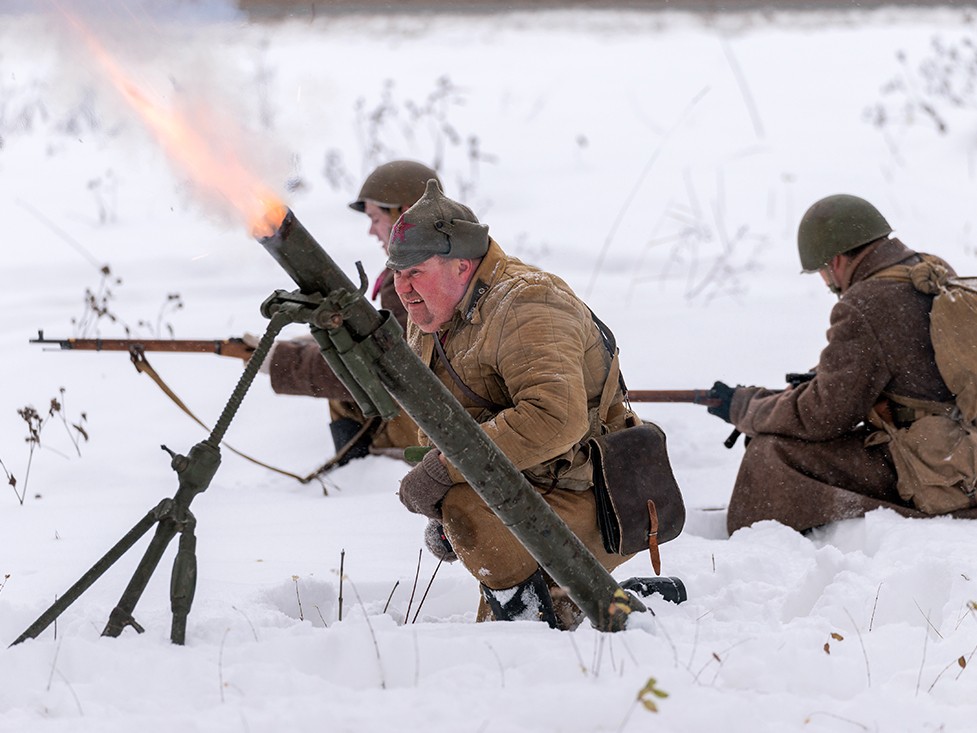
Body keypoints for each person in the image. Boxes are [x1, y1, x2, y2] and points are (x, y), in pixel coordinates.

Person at [388, 179, 638, 629]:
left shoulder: (528, 303)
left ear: (462, 267)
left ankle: (539, 626)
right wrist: (443, 497)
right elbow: (442, 424)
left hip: (595, 494)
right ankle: (561, 610)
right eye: (397, 274)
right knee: (465, 512)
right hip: (526, 487)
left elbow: (554, 419)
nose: (402, 289)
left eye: (415, 273)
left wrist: (446, 474)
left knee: (472, 516)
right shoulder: (433, 314)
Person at [708, 193, 977, 534]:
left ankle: (771, 547)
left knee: (770, 452)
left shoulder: (865, 303)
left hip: (932, 467)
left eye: (820, 271)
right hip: (964, 447)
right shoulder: (929, 268)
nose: (825, 282)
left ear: (835, 262)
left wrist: (747, 408)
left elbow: (824, 416)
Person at [261, 160, 441, 463]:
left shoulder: (413, 276)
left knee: (344, 395)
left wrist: (280, 361)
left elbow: (389, 370)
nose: (371, 230)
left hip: (431, 428)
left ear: (406, 213)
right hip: (447, 411)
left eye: (375, 217)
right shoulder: (447, 259)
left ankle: (357, 475)